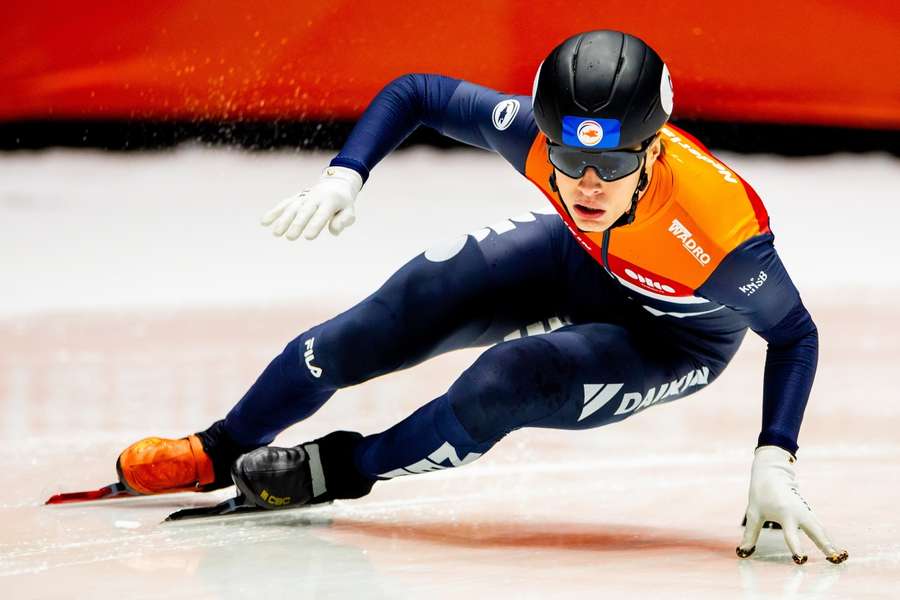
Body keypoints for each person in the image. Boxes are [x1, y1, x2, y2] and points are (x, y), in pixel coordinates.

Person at [116, 30, 847, 564]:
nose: (587, 184)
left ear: (654, 151)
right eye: (568, 158)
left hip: (673, 337)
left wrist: (774, 457)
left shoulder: (717, 232)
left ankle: (337, 469)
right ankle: (221, 446)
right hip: (581, 260)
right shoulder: (536, 139)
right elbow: (418, 93)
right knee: (394, 314)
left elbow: (794, 335)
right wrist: (348, 172)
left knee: (506, 383)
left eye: (612, 163)